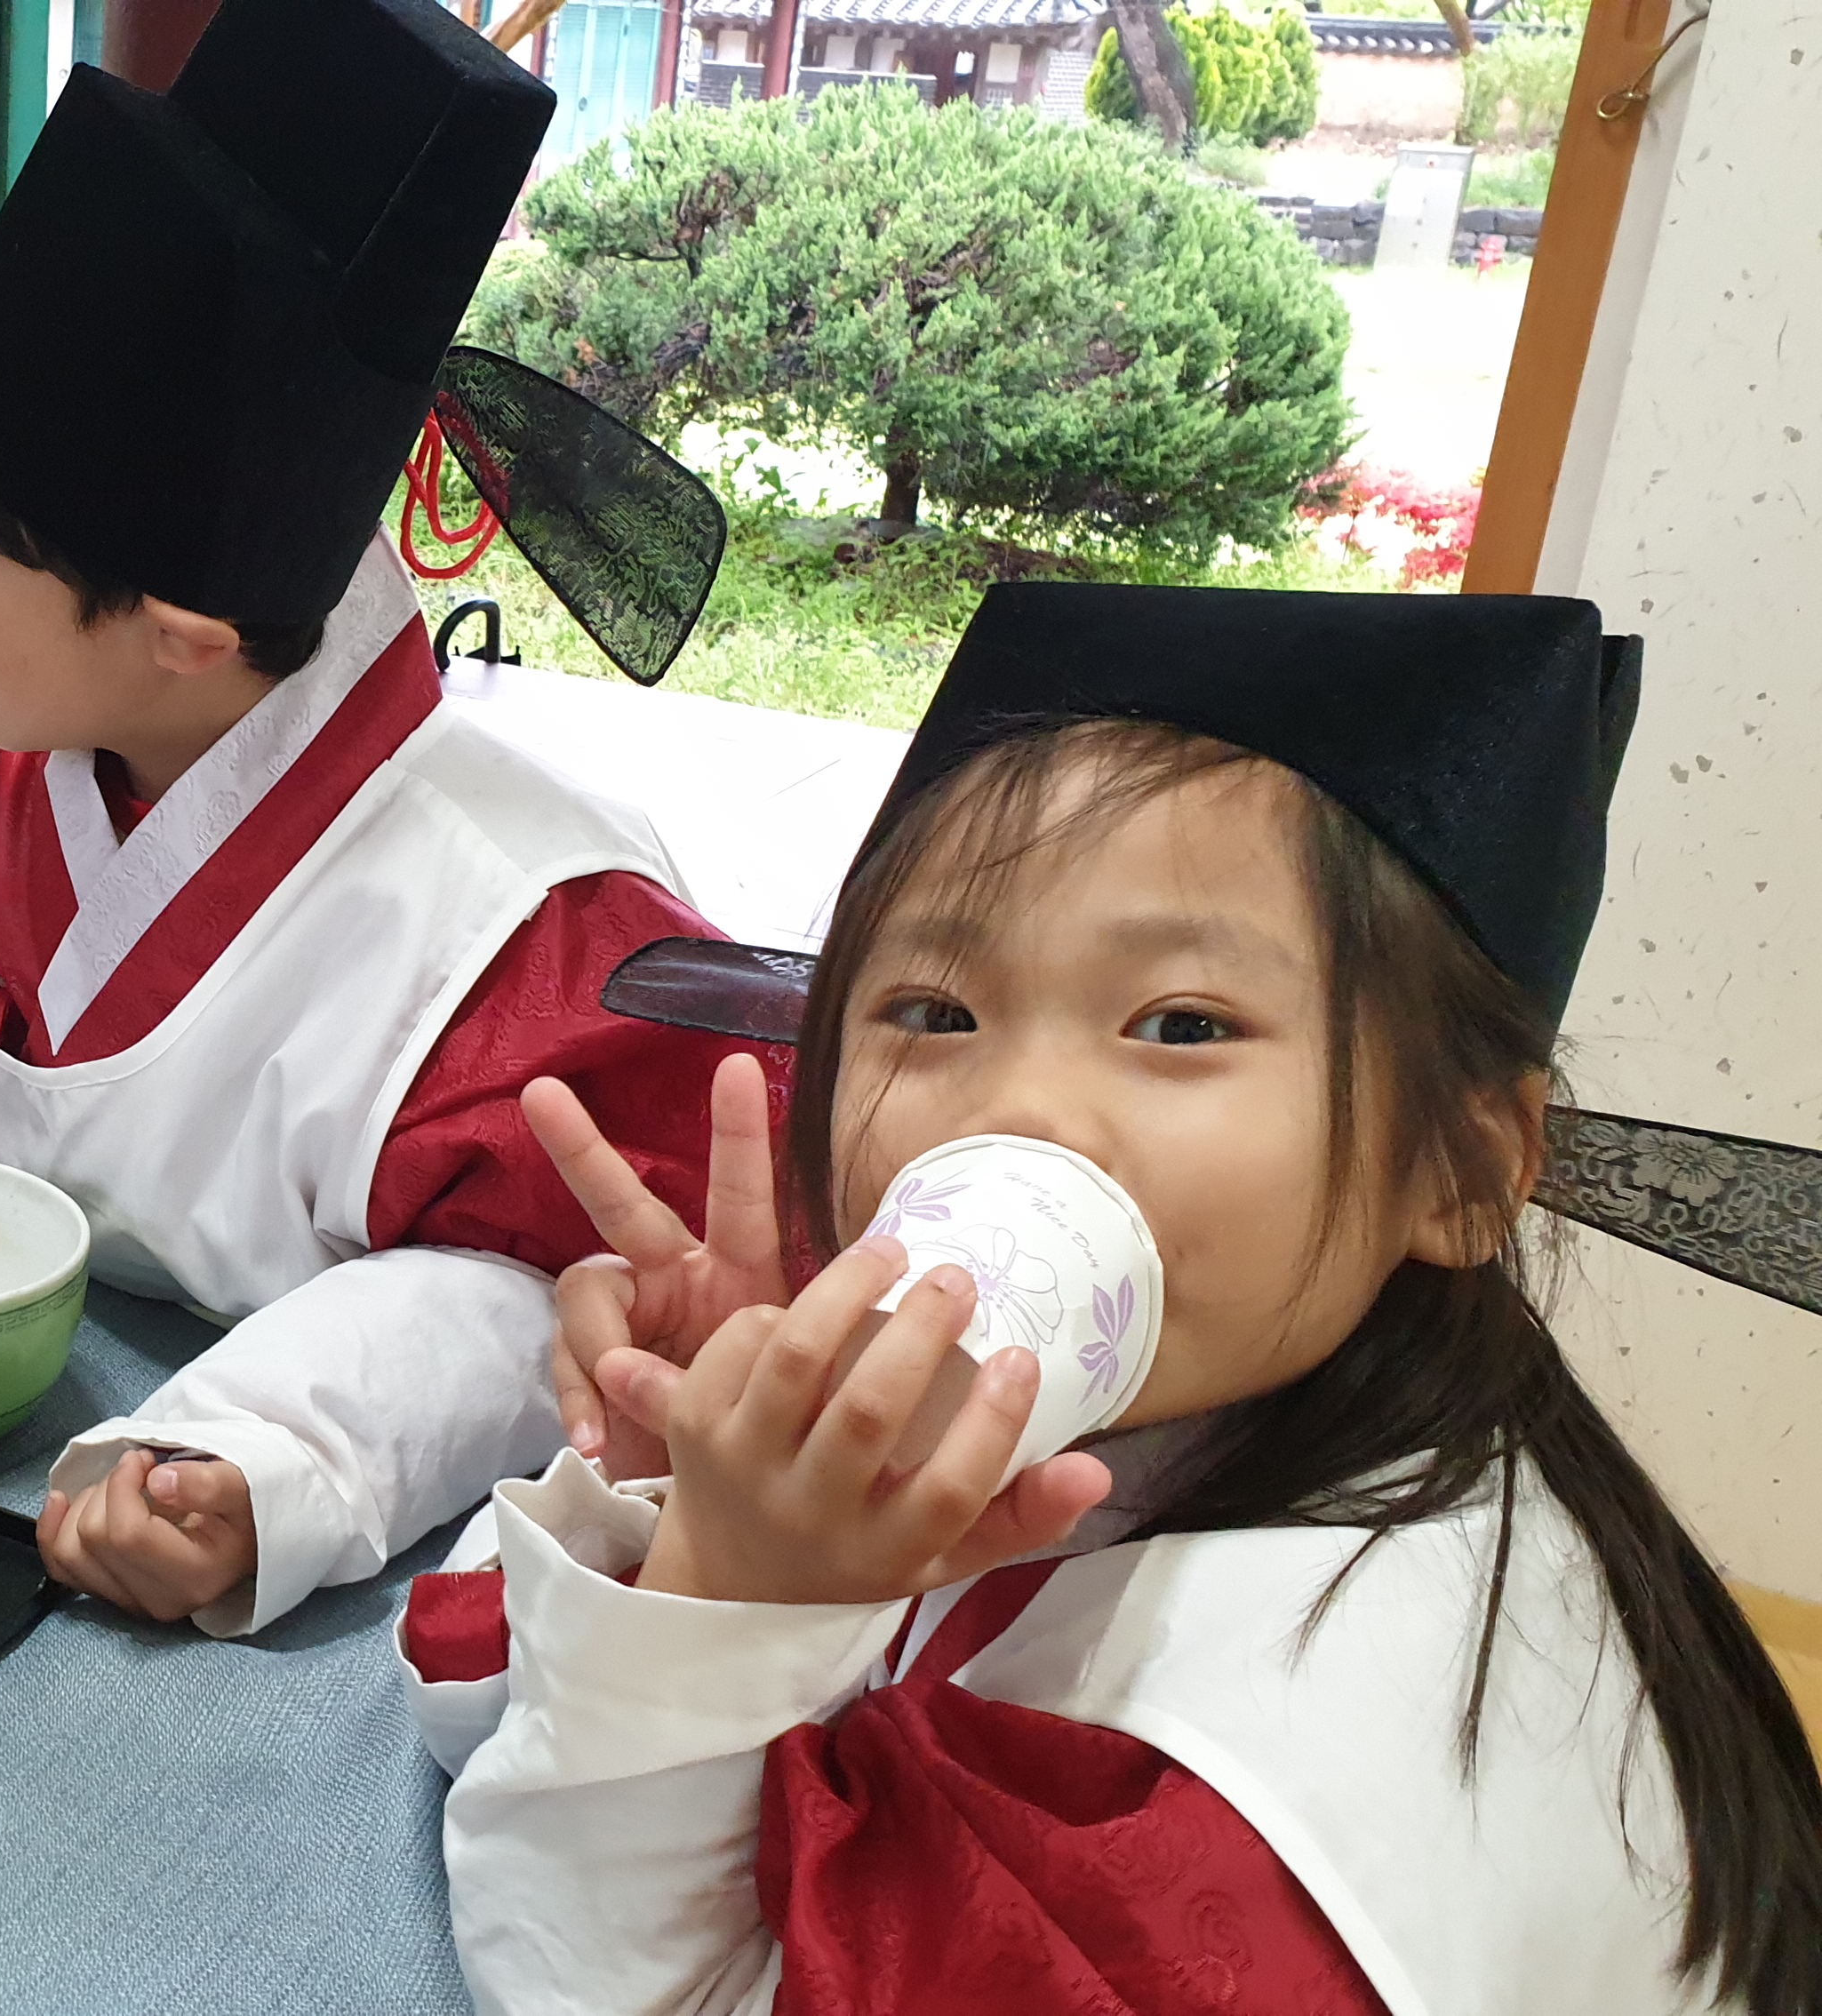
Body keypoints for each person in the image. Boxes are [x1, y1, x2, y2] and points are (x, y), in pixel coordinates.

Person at [404, 585, 1822, 2012]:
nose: (1017, 1110)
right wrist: (682, 1488)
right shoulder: (1205, 1408)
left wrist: (731, 1599)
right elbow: (480, 1712)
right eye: (934, 1012)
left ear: (1455, 1167)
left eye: (1183, 1025)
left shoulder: (1237, 1821)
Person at [0, 0, 773, 1637]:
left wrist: (265, 1455)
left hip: (218, 1450)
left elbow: (543, 1302)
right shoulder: (10, 772)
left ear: (183, 636)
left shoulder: (512, 932)